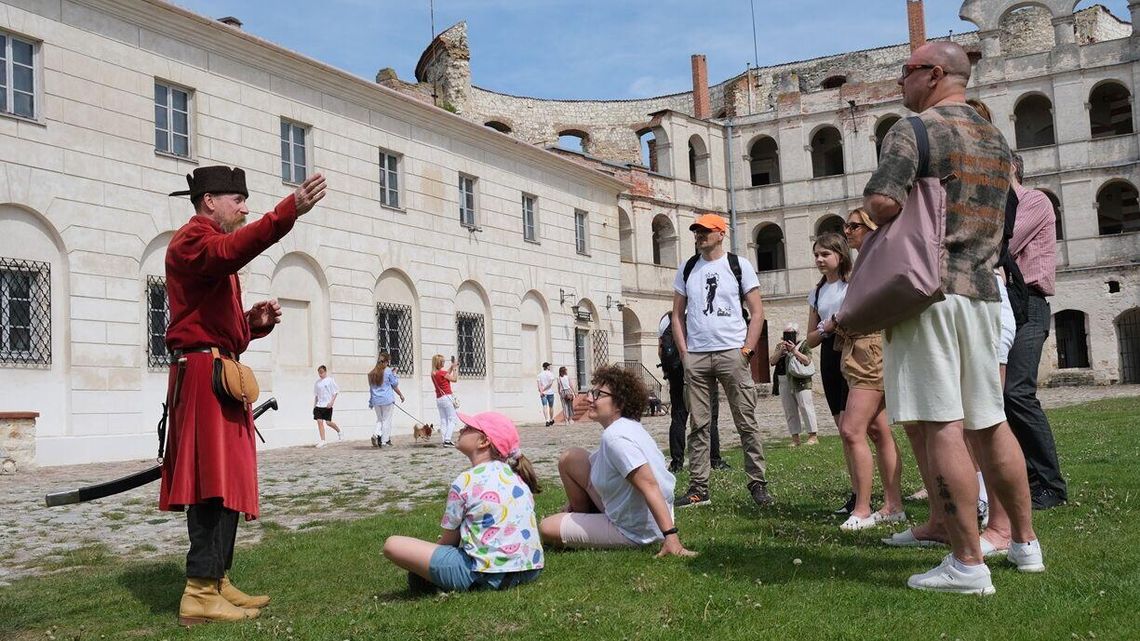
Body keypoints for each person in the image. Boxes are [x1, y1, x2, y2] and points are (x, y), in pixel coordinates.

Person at [863, 41, 1043, 593]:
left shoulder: (914, 129)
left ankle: (967, 562)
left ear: (934, 74)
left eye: (906, 72)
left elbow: (881, 204)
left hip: (930, 292)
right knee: (990, 422)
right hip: (985, 291)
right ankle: (1024, 543)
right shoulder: (996, 138)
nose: (900, 82)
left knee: (941, 422)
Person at [160, 165, 327, 624]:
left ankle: (217, 579)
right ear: (210, 201)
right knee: (209, 479)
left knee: (227, 478)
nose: (245, 208)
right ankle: (198, 590)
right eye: (238, 200)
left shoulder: (210, 247)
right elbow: (233, 250)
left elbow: (217, 326)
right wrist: (286, 212)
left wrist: (251, 324)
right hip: (202, 375)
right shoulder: (192, 239)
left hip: (220, 369)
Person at [539, 366, 696, 557]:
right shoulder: (627, 427)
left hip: (635, 529)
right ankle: (581, 517)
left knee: (546, 527)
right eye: (591, 392)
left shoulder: (616, 438)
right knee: (571, 458)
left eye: (598, 394)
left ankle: (583, 523)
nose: (589, 398)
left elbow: (649, 485)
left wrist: (671, 537)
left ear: (619, 403)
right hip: (634, 512)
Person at [671, 213, 771, 509]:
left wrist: (747, 352)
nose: (699, 235)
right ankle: (698, 488)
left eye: (705, 231)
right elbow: (677, 314)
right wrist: (684, 353)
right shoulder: (688, 268)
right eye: (696, 231)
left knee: (746, 421)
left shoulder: (738, 266)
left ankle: (757, 483)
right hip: (697, 356)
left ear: (720, 234)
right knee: (698, 425)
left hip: (732, 352)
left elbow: (757, 312)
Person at [382, 412, 544, 592]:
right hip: (529, 570)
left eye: (468, 428)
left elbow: (449, 542)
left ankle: (441, 583)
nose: (461, 429)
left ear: (484, 441)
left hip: (485, 574)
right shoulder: (518, 479)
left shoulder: (466, 481)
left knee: (392, 544)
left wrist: (434, 557)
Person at [820, 209, 906, 532]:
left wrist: (839, 319)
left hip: (868, 349)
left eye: (853, 226)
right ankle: (894, 504)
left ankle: (862, 507)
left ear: (871, 229)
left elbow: (875, 301)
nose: (847, 231)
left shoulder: (877, 259)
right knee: (877, 429)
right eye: (846, 226)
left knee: (852, 429)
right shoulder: (868, 261)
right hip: (857, 348)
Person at [1005, 153, 1067, 510]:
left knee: (1018, 393)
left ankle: (1051, 484)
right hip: (1008, 304)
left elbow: (1004, 244)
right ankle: (1028, 479)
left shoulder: (1034, 200)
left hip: (1030, 302)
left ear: (1011, 167)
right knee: (1003, 397)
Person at [803, 232, 855, 514]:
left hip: (854, 352)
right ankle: (857, 493)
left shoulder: (853, 284)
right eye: (816, 255)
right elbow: (810, 338)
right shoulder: (818, 292)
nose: (819, 260)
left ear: (840, 255)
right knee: (843, 429)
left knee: (860, 428)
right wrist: (827, 326)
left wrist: (832, 324)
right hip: (829, 355)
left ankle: (878, 496)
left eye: (825, 254)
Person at [658, 311, 729, 474]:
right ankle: (714, 459)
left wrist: (670, 369)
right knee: (710, 417)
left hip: (677, 373)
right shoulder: (703, 314)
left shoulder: (667, 318)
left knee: (678, 418)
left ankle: (677, 462)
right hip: (702, 371)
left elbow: (660, 350)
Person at [770, 323, 818, 447]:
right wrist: (781, 350)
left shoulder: (804, 344)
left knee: (806, 407)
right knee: (789, 410)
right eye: (785, 334)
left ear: (797, 334)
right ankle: (795, 438)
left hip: (800, 379)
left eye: (791, 333)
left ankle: (813, 436)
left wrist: (794, 351)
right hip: (784, 380)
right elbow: (772, 361)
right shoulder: (780, 346)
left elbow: (807, 360)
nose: (788, 337)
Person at [368, 352, 405, 448]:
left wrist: (371, 401)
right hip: (387, 400)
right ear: (387, 361)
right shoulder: (388, 371)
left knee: (380, 419)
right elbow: (394, 384)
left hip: (376, 400)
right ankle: (384, 441)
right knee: (386, 420)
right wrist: (395, 374)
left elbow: (371, 389)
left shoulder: (372, 372)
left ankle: (376, 434)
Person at [431, 354, 460, 446]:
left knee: (443, 420)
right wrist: (455, 368)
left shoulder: (434, 373)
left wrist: (451, 367)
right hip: (446, 397)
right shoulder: (442, 373)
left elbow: (445, 374)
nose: (444, 362)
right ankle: (447, 440)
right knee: (453, 419)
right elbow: (454, 379)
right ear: (439, 363)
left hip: (439, 398)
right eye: (442, 361)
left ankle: (444, 439)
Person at [312, 365, 342, 448]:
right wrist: (314, 406)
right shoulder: (317, 383)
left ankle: (339, 431)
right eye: (319, 373)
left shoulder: (330, 380)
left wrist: (332, 402)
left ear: (325, 372)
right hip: (319, 405)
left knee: (328, 422)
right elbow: (316, 396)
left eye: (321, 372)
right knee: (319, 421)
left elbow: (336, 392)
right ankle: (323, 440)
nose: (320, 374)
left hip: (327, 405)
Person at [537, 362, 556, 426]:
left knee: (544, 406)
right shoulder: (551, 374)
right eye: (549, 366)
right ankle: (551, 419)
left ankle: (547, 420)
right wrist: (544, 389)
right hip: (550, 392)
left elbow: (539, 385)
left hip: (543, 393)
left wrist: (541, 391)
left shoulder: (539, 375)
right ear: (547, 367)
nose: (549, 367)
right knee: (551, 406)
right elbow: (550, 383)